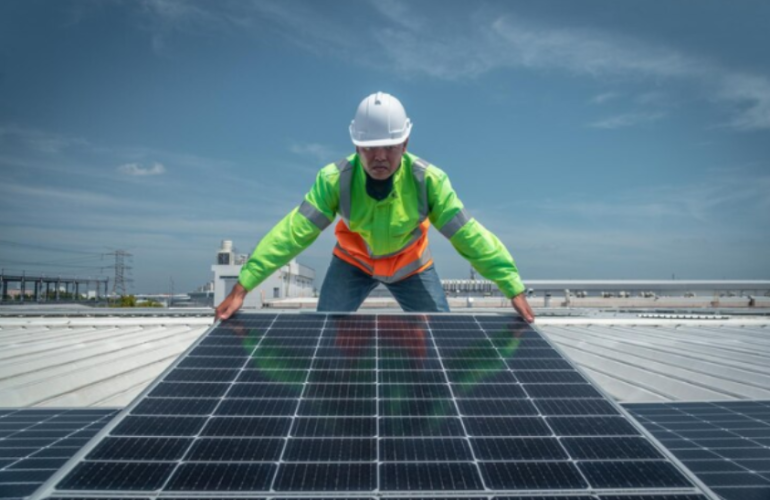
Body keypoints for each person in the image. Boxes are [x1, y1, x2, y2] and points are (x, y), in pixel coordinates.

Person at [215, 92, 535, 322]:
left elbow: (469, 235)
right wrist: (245, 285)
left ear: (405, 144)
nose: (380, 156)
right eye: (370, 148)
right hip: (353, 263)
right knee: (326, 329)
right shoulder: (334, 180)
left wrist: (511, 285)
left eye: (390, 146)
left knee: (440, 331)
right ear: (357, 145)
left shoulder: (429, 181)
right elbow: (291, 235)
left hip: (411, 267)